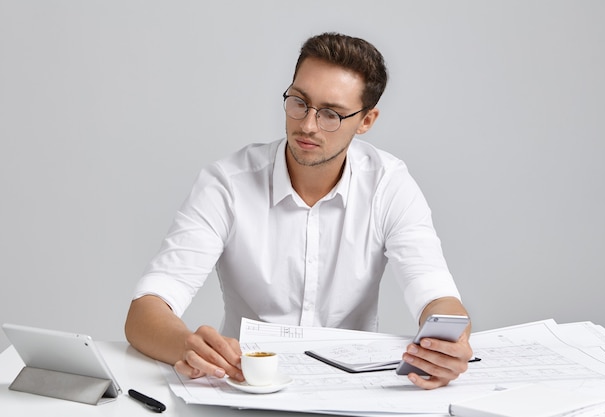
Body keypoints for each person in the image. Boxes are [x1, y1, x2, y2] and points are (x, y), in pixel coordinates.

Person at [125, 32, 473, 390]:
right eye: (299, 102)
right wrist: (188, 346)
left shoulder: (389, 185)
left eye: (331, 114)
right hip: (248, 388)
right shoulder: (227, 183)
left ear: (366, 120)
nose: (307, 125)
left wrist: (447, 344)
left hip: (351, 393)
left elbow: (435, 294)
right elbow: (146, 310)